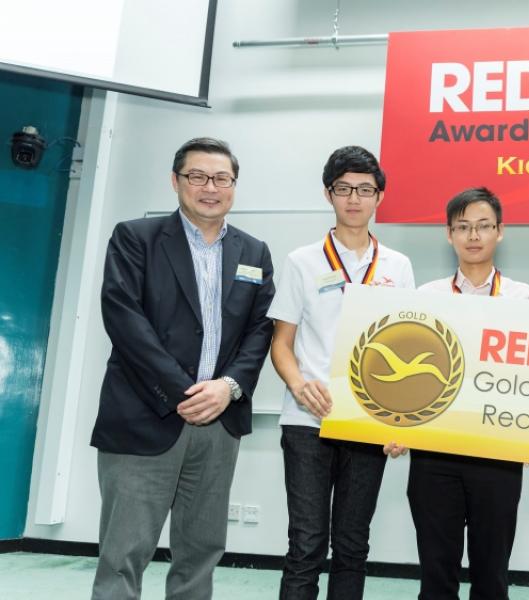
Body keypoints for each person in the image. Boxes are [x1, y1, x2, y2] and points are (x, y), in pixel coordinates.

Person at [90, 137, 275, 599]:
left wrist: (228, 388)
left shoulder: (254, 252)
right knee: (123, 556)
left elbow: (260, 330)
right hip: (144, 418)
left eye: (221, 178)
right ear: (176, 181)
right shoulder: (136, 238)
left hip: (220, 424)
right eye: (197, 176)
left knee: (201, 554)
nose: (209, 187)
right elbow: (124, 318)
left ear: (234, 185)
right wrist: (185, 393)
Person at [268, 145, 416, 600]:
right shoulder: (302, 260)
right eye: (344, 189)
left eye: (365, 190)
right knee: (306, 544)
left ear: (380, 197)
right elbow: (281, 343)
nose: (354, 199)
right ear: (328, 194)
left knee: (352, 546)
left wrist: (400, 422)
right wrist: (298, 384)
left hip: (368, 422)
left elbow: (406, 346)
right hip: (307, 422)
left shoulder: (398, 266)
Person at [412, 187, 529, 600]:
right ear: (449, 234)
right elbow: (412, 376)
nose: (473, 235)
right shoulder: (425, 297)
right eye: (463, 227)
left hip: (497, 453)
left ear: (500, 232)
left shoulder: (524, 298)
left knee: (492, 573)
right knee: (436, 571)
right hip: (433, 453)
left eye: (483, 226)